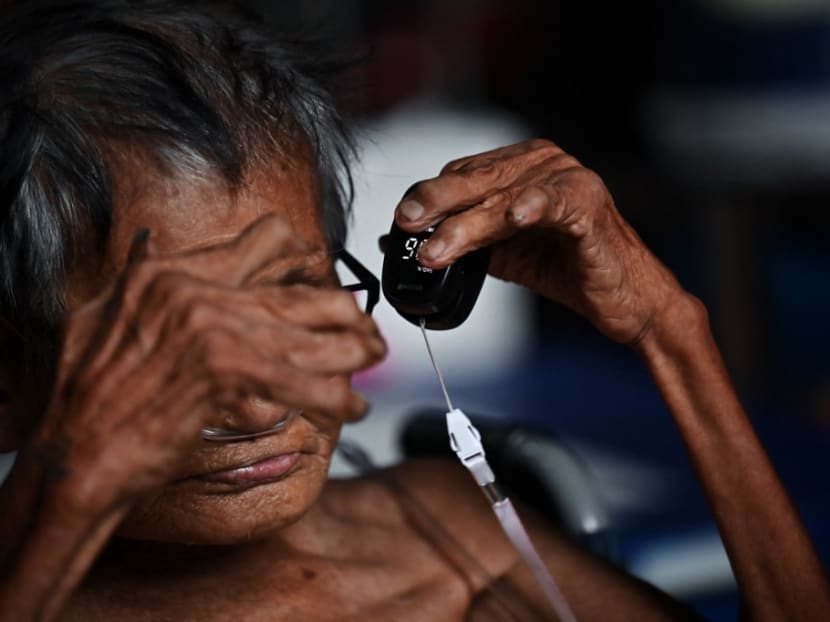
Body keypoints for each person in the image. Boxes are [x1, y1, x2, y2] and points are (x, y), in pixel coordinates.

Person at [0, 2, 828, 621]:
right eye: (170, 338)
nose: (258, 403)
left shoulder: (444, 532)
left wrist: (670, 331)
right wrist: (65, 499)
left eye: (293, 296)